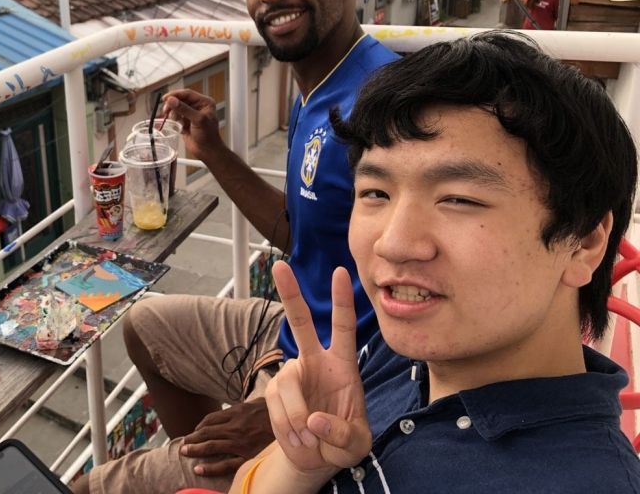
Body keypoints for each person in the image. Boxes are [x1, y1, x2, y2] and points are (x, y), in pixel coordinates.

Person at [72, 0, 398, 494]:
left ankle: (231, 468)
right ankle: (217, 471)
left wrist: (282, 413)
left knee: (91, 487)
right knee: (143, 325)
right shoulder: (316, 86)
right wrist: (213, 150)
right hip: (289, 334)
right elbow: (300, 234)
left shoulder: (381, 110)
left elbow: (413, 317)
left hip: (334, 374)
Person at [231, 31, 640, 493]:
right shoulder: (411, 347)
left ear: (583, 242)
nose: (394, 243)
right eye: (375, 193)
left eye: (459, 199)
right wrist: (304, 465)